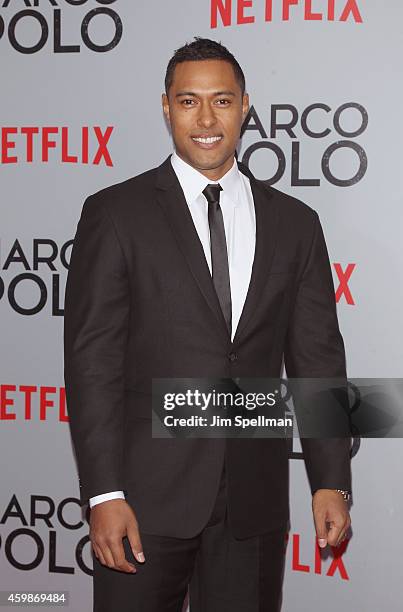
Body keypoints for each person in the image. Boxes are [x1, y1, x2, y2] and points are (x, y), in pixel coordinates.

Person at [64, 37, 352, 612]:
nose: (206, 119)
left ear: (246, 106)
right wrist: (103, 493)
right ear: (166, 107)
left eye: (221, 101)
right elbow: (91, 364)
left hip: (253, 501)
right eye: (188, 101)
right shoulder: (116, 213)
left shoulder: (295, 224)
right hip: (143, 501)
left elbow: (317, 358)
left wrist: (330, 478)